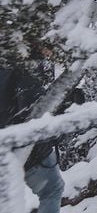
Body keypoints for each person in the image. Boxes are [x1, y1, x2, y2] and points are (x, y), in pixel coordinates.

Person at [0, 56, 67, 213]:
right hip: (28, 151)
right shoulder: (21, 70)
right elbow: (36, 112)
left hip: (10, 146)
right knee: (52, 191)